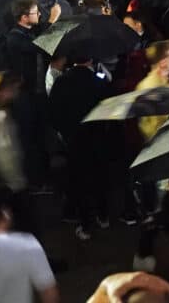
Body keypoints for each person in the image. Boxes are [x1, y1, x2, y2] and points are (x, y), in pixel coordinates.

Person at [48, 48, 114, 240]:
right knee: (100, 178)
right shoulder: (98, 81)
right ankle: (103, 216)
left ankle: (85, 224)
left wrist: (64, 132)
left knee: (80, 181)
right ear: (90, 60)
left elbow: (53, 113)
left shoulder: (61, 81)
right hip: (98, 136)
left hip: (74, 139)